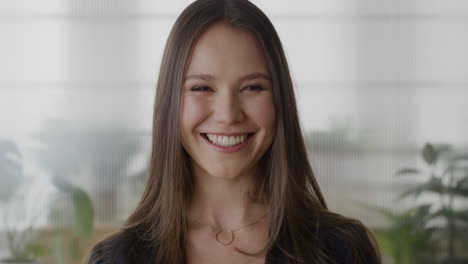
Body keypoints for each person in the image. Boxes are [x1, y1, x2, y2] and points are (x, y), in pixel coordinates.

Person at [87, 0, 381, 263]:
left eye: (253, 87)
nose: (227, 115)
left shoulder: (342, 251)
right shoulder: (117, 258)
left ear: (280, 101)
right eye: (201, 88)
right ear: (170, 103)